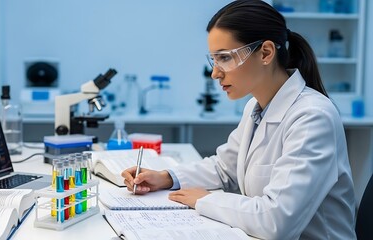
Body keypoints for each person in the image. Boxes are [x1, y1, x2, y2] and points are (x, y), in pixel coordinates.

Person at [121, 0, 357, 239]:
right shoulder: (255, 107)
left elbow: (277, 221)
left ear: (265, 53)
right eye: (214, 59)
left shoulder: (312, 117)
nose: (215, 73)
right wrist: (166, 177)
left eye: (225, 58)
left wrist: (206, 200)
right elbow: (225, 168)